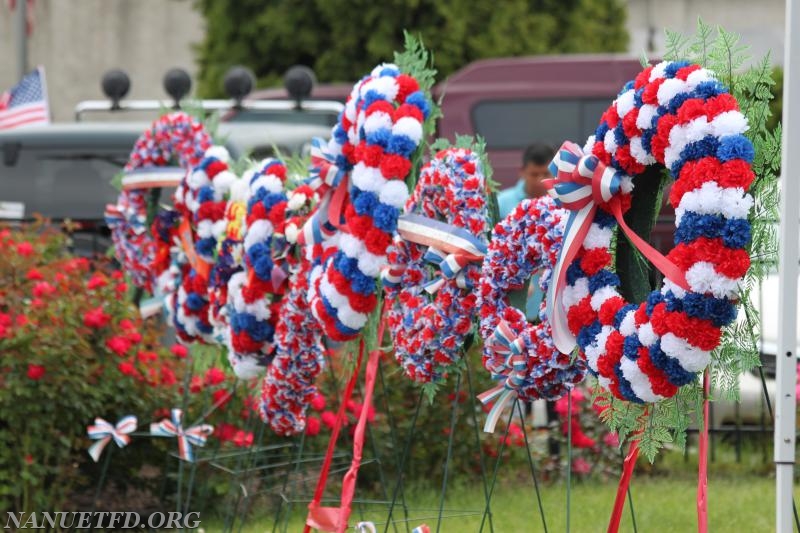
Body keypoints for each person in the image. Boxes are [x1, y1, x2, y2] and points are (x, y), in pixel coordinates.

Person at [497, 142, 556, 218]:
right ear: (522, 172)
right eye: (534, 174)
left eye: (546, 174)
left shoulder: (566, 201)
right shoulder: (501, 203)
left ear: (555, 172)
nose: (540, 181)